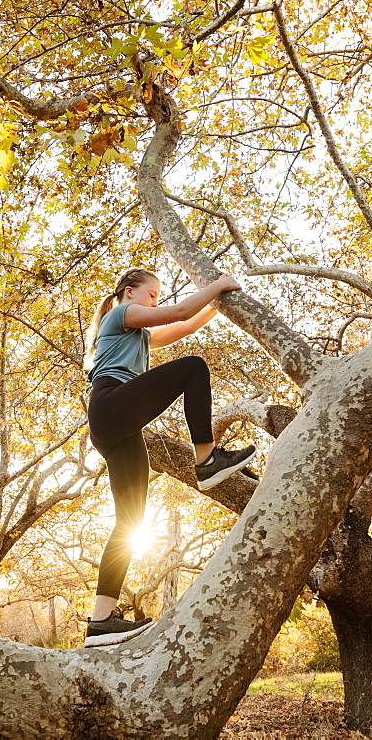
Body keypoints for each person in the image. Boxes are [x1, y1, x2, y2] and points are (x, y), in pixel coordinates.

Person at [82, 267, 257, 647]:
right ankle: (207, 460)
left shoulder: (139, 335)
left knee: (130, 522)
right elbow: (177, 313)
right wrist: (217, 284)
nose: (155, 303)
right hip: (111, 405)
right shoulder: (121, 315)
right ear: (129, 293)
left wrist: (217, 303)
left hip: (116, 428)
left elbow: (184, 326)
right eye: (152, 296)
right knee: (192, 367)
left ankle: (100, 622)